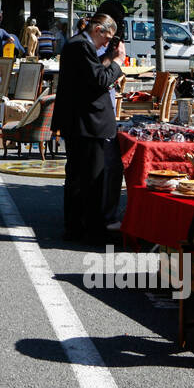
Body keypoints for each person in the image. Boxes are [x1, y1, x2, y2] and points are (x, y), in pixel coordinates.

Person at [51, 13, 126, 243]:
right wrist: (118, 62)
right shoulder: (79, 46)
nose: (106, 43)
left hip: (82, 122)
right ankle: (88, 229)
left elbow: (92, 73)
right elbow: (99, 80)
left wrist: (108, 59)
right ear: (98, 29)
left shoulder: (79, 46)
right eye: (107, 37)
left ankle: (79, 226)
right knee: (90, 179)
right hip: (86, 123)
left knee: (81, 177)